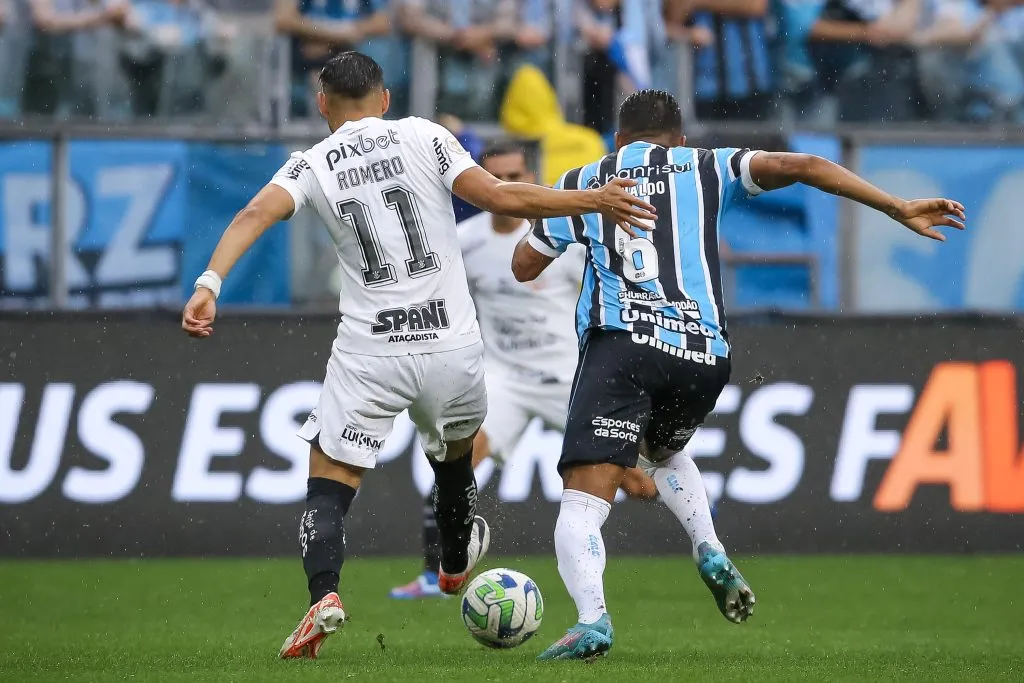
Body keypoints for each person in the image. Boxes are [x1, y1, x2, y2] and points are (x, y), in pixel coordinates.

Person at [180, 51, 655, 661]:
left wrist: (210, 285)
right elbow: (499, 197)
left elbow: (253, 214)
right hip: (451, 347)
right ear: (384, 99)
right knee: (455, 460)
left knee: (331, 480)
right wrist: (592, 200)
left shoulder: (310, 164)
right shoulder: (425, 136)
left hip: (371, 350)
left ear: (322, 105)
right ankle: (455, 561)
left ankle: (324, 596)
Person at [511, 88, 966, 661]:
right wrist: (897, 206)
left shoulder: (588, 178)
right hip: (703, 356)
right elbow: (807, 166)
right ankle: (709, 547)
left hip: (624, 344)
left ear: (619, 140)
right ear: (679, 138)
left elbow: (524, 267)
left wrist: (572, 220)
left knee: (582, 502)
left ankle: (592, 621)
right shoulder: (708, 165)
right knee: (658, 453)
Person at [389, 141, 658, 600]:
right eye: (497, 177)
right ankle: (438, 573)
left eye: (515, 175)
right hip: (504, 380)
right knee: (456, 460)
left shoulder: (558, 235)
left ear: (529, 173)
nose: (506, 186)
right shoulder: (465, 241)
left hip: (570, 378)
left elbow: (603, 297)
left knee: (642, 485)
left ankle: (705, 545)